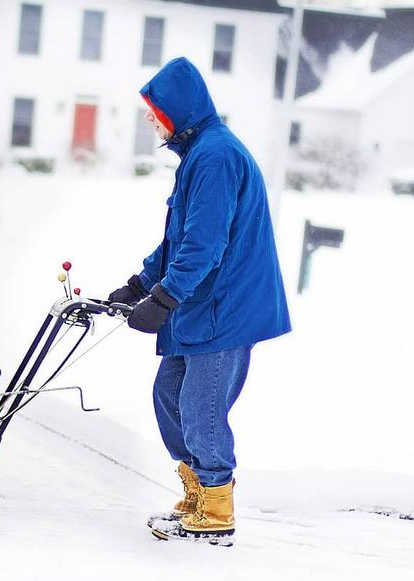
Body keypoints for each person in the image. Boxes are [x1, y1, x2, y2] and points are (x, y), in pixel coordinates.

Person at [108, 57, 291, 545]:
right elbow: (180, 237)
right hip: (204, 301)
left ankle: (215, 513)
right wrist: (141, 282)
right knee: (169, 395)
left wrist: (164, 298)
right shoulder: (199, 153)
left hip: (226, 306)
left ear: (180, 110)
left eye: (155, 110)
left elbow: (204, 245)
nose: (150, 118)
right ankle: (196, 495)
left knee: (201, 406)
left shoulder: (215, 157)